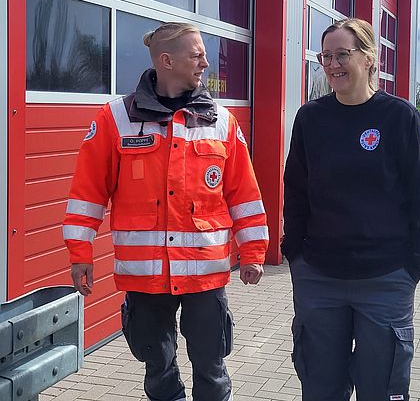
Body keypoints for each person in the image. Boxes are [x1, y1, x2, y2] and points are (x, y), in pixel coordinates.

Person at [63, 22, 268, 401]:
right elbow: (87, 193)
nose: (206, 62)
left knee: (211, 364)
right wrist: (80, 253)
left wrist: (254, 252)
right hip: (146, 278)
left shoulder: (221, 122)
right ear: (166, 60)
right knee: (158, 366)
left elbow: (245, 195)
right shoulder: (115, 119)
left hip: (204, 275)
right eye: (197, 54)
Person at [282, 18, 420, 401]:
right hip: (319, 277)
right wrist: (297, 256)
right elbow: (297, 191)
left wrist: (414, 264)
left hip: (385, 277)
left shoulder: (398, 117)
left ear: (370, 58)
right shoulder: (311, 118)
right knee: (320, 387)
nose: (334, 64)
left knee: (381, 388)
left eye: (343, 54)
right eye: (326, 56)